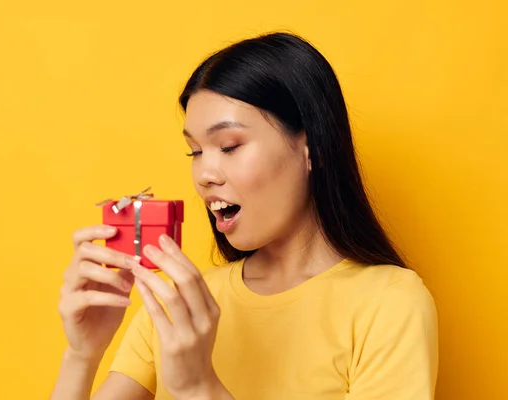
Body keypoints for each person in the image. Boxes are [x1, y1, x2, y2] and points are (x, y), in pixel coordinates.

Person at [51, 32, 438, 400]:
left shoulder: (388, 303)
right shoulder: (183, 303)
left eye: (229, 146)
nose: (204, 174)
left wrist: (199, 388)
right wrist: (82, 353)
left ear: (313, 148)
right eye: (196, 151)